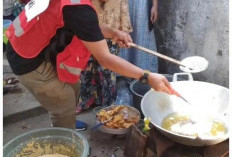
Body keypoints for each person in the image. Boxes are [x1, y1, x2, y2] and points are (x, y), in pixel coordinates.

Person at [6, 0, 173, 130]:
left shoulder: (79, 8)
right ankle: (65, 137)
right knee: (63, 101)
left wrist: (113, 33)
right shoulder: (79, 8)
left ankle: (67, 121)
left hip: (36, 44)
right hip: (26, 57)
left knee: (74, 85)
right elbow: (105, 60)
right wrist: (146, 76)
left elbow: (84, 25)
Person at [76, 0, 133, 113]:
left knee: (107, 71)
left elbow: (124, 9)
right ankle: (86, 100)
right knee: (86, 68)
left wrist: (124, 32)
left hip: (113, 30)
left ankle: (108, 105)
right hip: (90, 31)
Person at [119, 0, 159, 72]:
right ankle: (123, 71)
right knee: (123, 32)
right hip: (122, 3)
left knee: (142, 34)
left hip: (142, 5)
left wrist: (154, 6)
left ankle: (144, 71)